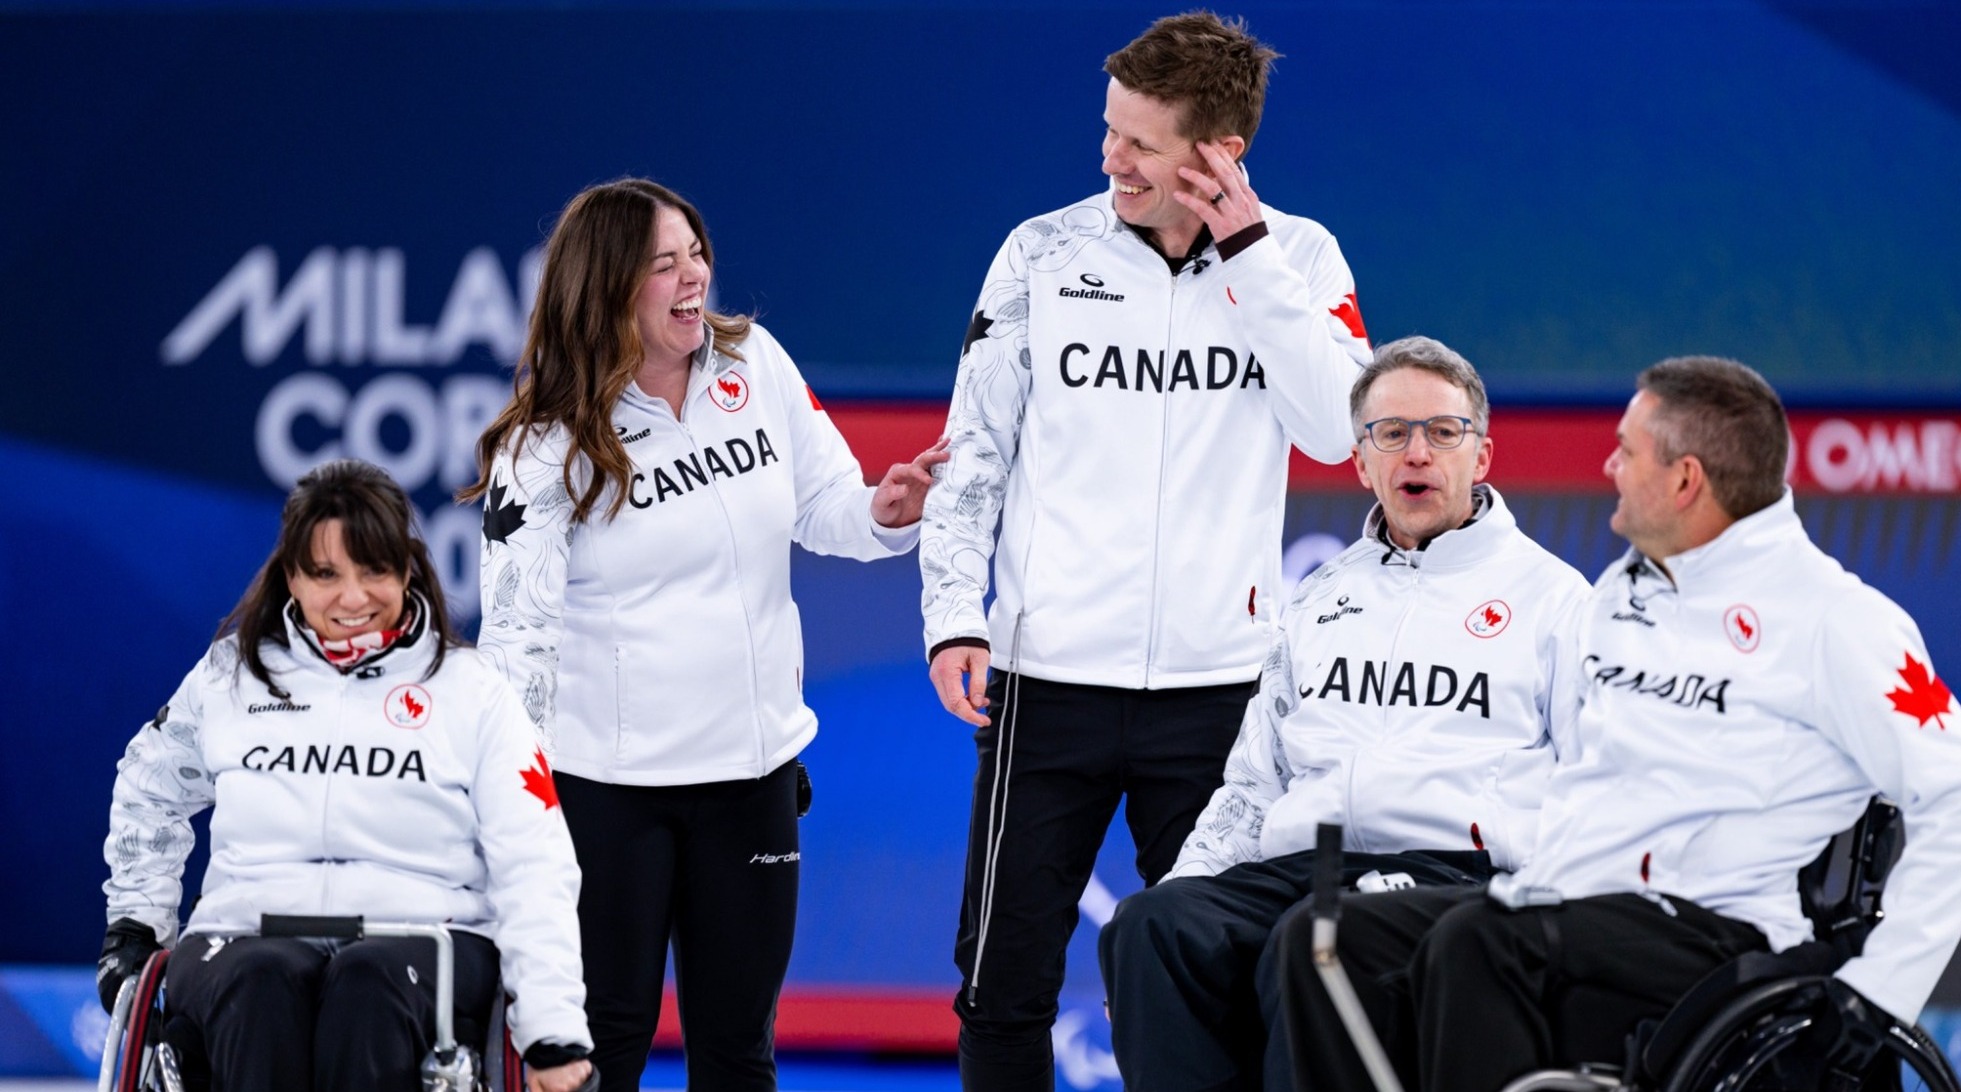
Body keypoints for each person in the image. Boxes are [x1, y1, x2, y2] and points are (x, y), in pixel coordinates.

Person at [1276, 356, 1961, 1092]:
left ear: (1684, 479)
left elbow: (1950, 794)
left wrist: (1882, 987)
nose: (1607, 465)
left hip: (1728, 929)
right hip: (1579, 906)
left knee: (1482, 945)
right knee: (1333, 938)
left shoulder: (1837, 620)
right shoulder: (1620, 596)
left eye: (1627, 451)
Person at [919, 12, 1374, 1087]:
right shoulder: (1039, 252)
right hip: (1044, 683)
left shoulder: (1300, 257)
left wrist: (1248, 255)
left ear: (1219, 155)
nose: (1107, 158)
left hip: (1221, 692)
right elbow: (970, 454)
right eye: (1108, 130)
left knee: (1213, 976)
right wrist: (953, 616)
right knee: (999, 983)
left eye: (1138, 141)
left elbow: (1330, 428)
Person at [461, 177, 946, 1092]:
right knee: (602, 1048)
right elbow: (518, 642)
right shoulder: (545, 445)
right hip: (607, 796)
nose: (694, 278)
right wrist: (518, 810)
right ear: (606, 287)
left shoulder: (752, 362)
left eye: (697, 254)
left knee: (738, 1051)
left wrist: (886, 510)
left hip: (751, 780)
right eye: (663, 264)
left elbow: (825, 505)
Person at [1096, 336, 1589, 1090]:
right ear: (1361, 463)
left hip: (1452, 875)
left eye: (1441, 432)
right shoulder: (1320, 596)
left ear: (1480, 457)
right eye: (1391, 433)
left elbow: (1596, 781)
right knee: (1151, 928)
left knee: (1313, 940)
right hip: (1304, 864)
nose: (1415, 453)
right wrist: (1184, 885)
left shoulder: (1554, 600)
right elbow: (1253, 784)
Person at [96, 459, 593, 1092]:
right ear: (291, 579)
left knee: (367, 985)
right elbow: (150, 784)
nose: (352, 599)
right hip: (245, 931)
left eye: (373, 570)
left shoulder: (472, 692)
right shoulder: (232, 677)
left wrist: (551, 1029)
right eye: (326, 574)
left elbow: (535, 857)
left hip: (425, 937)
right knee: (260, 983)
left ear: (408, 568)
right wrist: (136, 925)